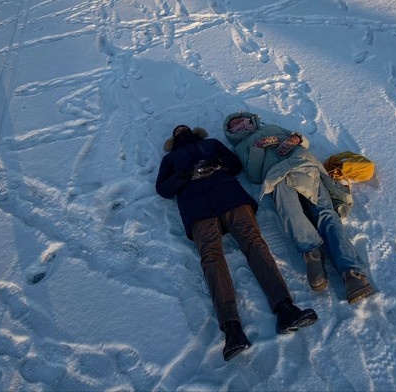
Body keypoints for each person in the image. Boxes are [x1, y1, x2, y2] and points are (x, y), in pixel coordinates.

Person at [156, 124, 318, 362]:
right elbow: (162, 188)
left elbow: (234, 165)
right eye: (177, 130)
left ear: (195, 132)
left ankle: (285, 308)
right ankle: (232, 329)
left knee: (254, 242)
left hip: (229, 196)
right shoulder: (170, 159)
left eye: (184, 128)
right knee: (211, 256)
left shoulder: (211, 145)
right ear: (173, 139)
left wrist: (218, 164)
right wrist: (183, 175)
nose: (181, 130)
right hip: (197, 207)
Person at [224, 112, 376, 304]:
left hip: (304, 165)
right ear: (231, 133)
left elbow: (304, 143)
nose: (238, 123)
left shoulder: (272, 129)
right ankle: (311, 255)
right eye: (233, 125)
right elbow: (254, 175)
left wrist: (296, 139)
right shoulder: (241, 147)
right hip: (277, 176)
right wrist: (257, 148)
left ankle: (353, 273)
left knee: (325, 214)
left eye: (239, 119)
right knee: (290, 212)